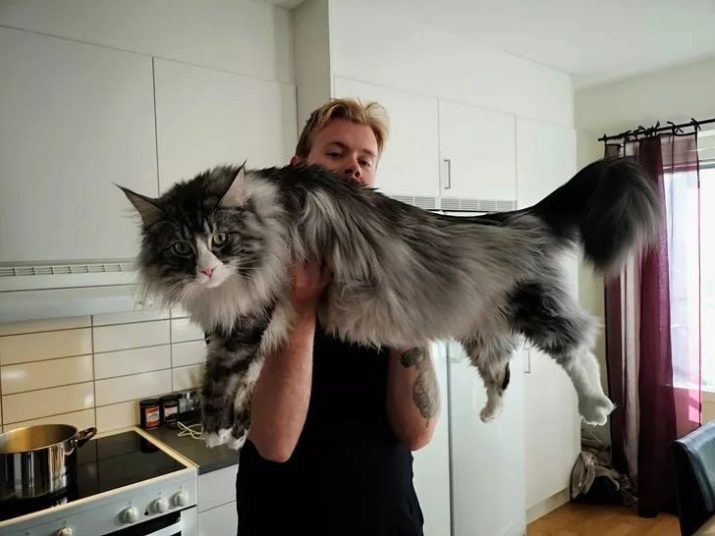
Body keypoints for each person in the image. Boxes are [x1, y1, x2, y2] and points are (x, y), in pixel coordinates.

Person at [235, 98, 441, 536]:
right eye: (335, 153)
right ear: (297, 169)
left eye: (366, 160)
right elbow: (274, 443)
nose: (354, 167)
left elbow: (418, 433)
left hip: (387, 519)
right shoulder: (250, 274)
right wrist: (302, 304)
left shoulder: (386, 270)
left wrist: (407, 304)